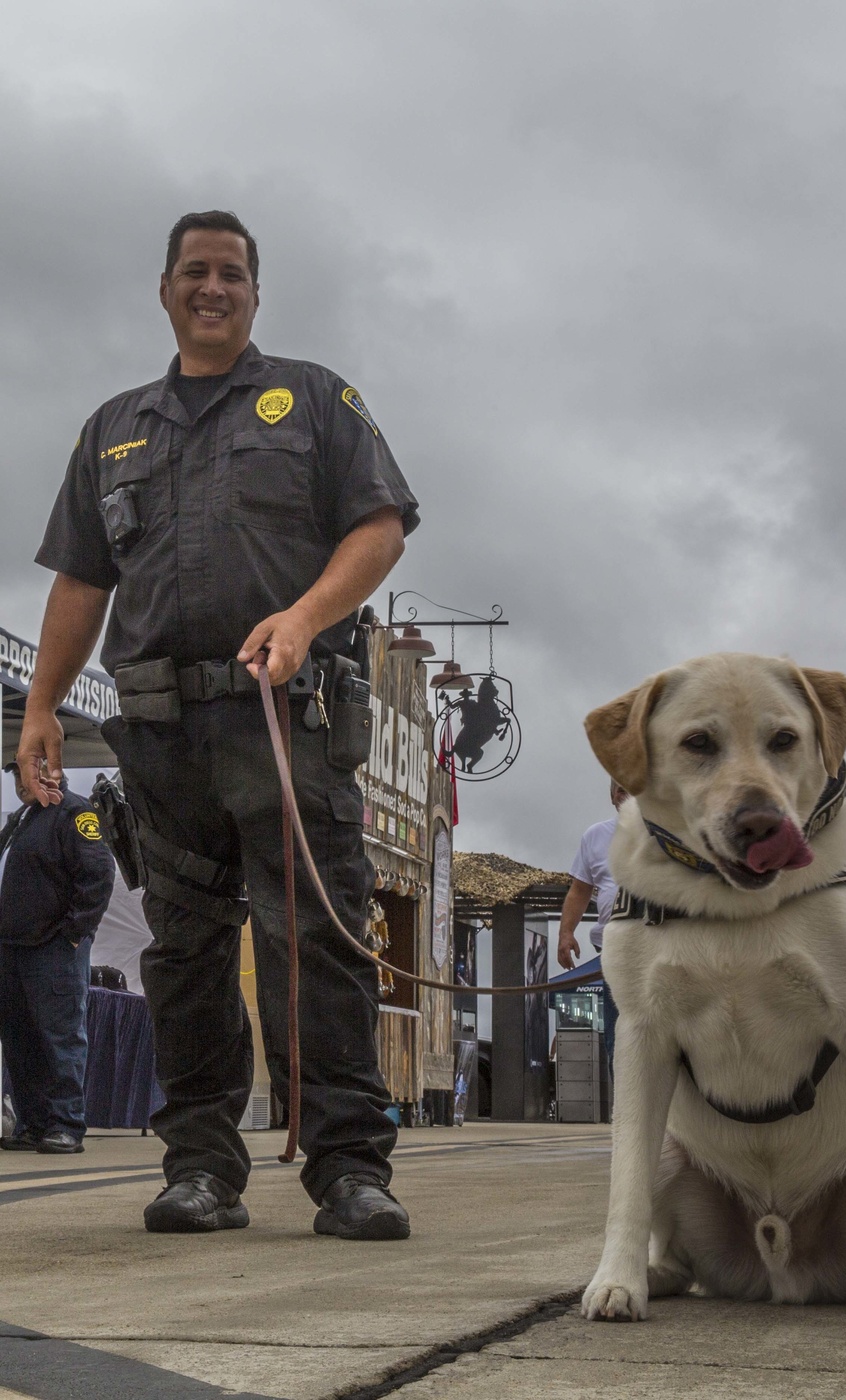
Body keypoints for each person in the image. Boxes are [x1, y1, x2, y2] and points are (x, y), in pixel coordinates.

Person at [19, 211, 418, 1239]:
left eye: (231, 272)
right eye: (194, 271)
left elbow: (379, 528)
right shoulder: (114, 428)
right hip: (159, 733)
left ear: (253, 292)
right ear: (164, 289)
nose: (212, 286)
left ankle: (348, 1169)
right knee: (185, 954)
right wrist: (41, 708)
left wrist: (304, 615)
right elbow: (81, 579)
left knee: (316, 943)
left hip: (287, 717)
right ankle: (199, 1165)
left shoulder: (317, 400)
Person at [0, 763, 115, 1152]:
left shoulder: (77, 813)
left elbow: (99, 874)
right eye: (15, 777)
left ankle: (66, 1124)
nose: (19, 784)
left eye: (27, 773)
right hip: (13, 949)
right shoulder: (24, 818)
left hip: (53, 950)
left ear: (53, 771)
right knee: (20, 1042)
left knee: (60, 1039)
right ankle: (32, 1125)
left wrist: (73, 934)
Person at [557, 781, 628, 1068]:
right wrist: (565, 933)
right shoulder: (595, 836)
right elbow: (579, 890)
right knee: (617, 1035)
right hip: (614, 949)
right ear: (612, 796)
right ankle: (622, 1111)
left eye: (634, 787)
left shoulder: (672, 831)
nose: (628, 795)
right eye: (621, 789)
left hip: (662, 943)